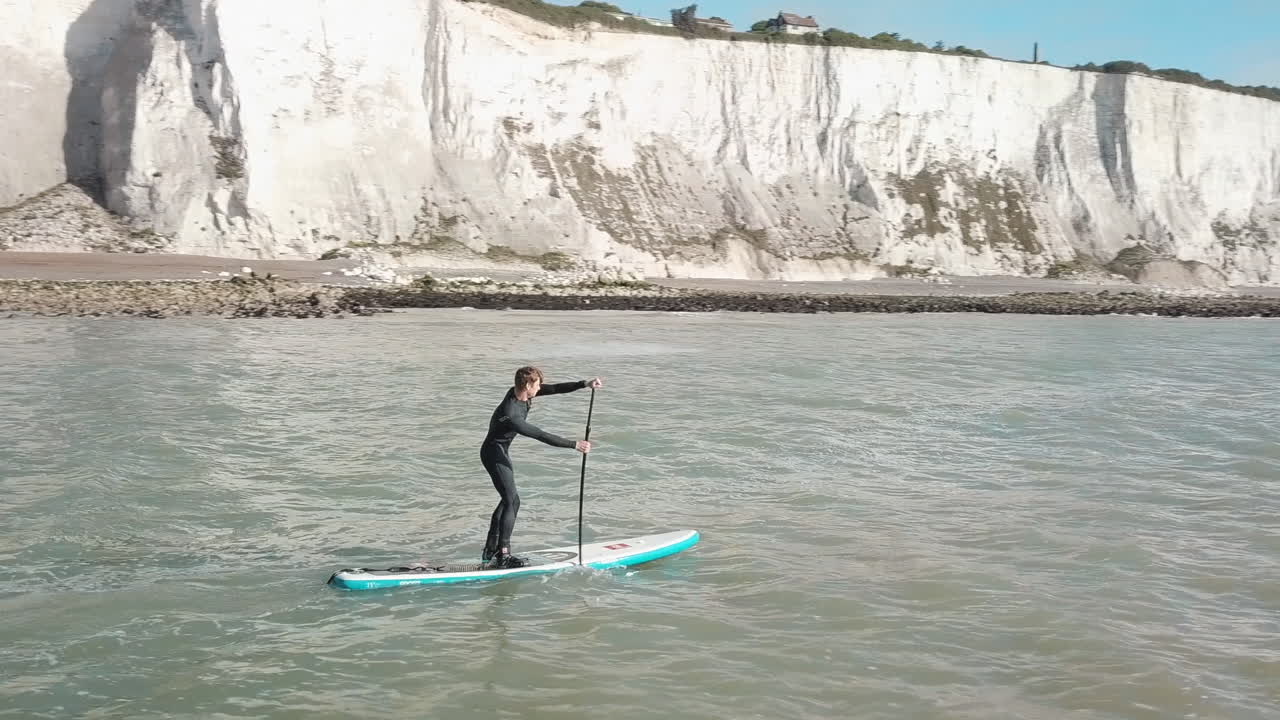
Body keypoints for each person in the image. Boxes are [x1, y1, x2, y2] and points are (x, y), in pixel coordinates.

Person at [480, 366, 602, 568]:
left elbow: (554, 388)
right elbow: (540, 435)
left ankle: (490, 549)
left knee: (508, 499)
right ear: (527, 385)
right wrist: (574, 444)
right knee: (512, 500)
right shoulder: (511, 414)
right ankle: (503, 554)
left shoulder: (521, 392)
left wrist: (584, 384)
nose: (539, 389)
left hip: (500, 451)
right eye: (536, 386)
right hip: (493, 453)